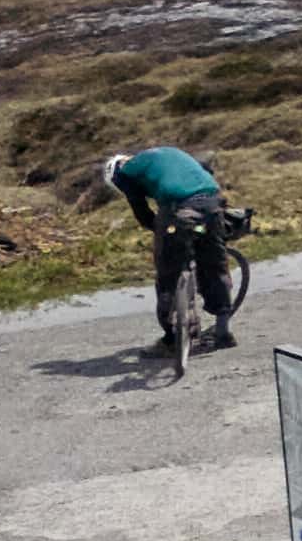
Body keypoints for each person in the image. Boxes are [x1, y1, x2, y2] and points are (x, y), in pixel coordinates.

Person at [105, 138, 250, 375]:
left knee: (168, 273)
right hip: (212, 204)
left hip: (180, 210)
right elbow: (206, 171)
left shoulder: (124, 173)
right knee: (214, 264)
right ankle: (223, 330)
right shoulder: (169, 153)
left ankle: (172, 339)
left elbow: (141, 210)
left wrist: (159, 230)